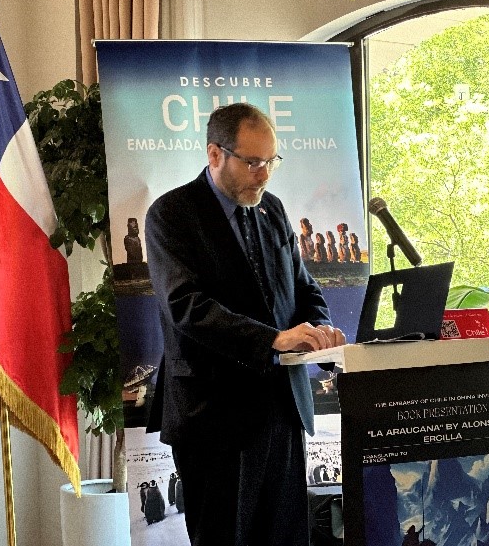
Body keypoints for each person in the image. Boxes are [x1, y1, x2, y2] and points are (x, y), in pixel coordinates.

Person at [145, 102, 345, 546]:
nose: (264, 174)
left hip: (281, 410)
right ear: (215, 154)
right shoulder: (171, 214)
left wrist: (321, 331)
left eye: (271, 161)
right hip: (214, 418)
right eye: (253, 162)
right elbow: (187, 307)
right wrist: (274, 339)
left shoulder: (272, 209)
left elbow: (304, 287)